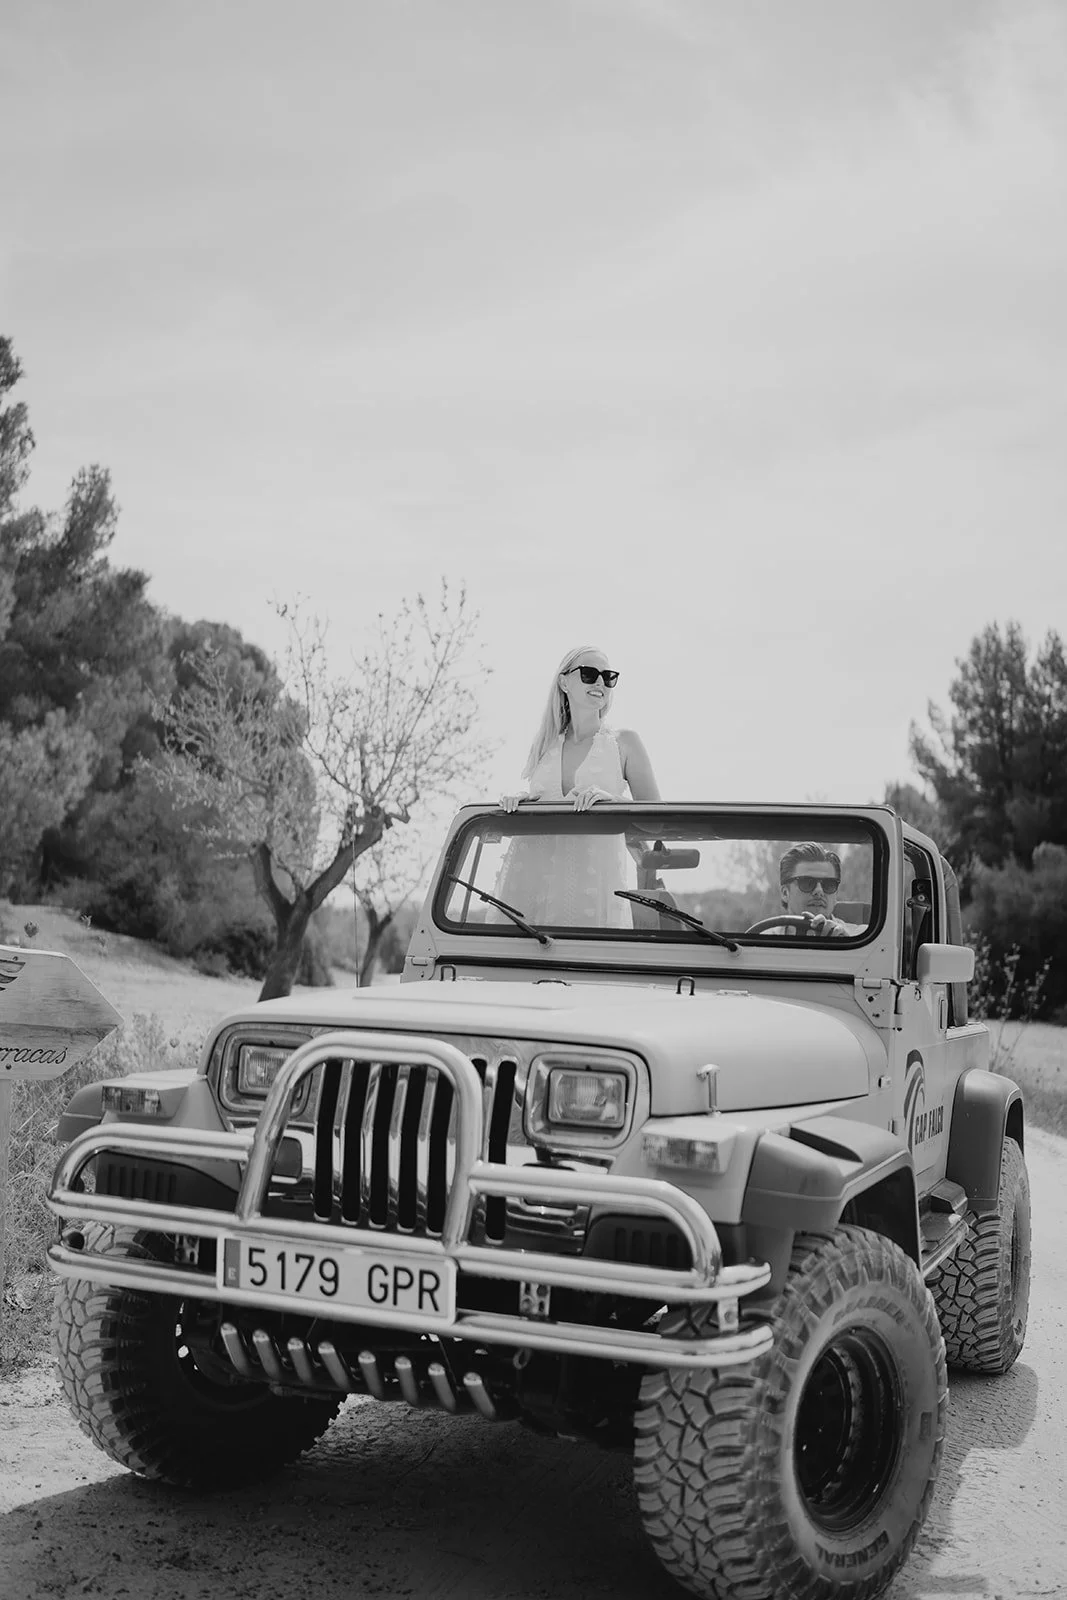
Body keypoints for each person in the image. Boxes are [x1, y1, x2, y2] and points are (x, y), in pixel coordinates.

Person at [491, 646, 660, 927]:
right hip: (531, 890)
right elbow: (539, 807)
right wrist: (518, 803)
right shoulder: (544, 744)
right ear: (564, 682)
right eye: (589, 674)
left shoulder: (624, 742)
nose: (599, 683)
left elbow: (656, 823)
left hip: (594, 892)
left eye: (608, 677)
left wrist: (612, 802)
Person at [763, 842, 866, 938]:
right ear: (785, 893)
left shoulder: (863, 938)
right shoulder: (762, 940)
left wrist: (847, 946)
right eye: (807, 883)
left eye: (829, 885)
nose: (819, 891)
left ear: (836, 895)